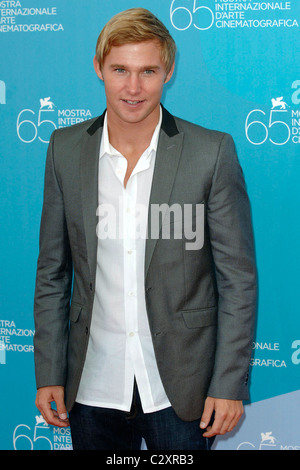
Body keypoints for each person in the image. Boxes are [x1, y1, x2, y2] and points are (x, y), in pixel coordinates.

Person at [34, 8, 257, 451]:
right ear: (99, 68)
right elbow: (52, 275)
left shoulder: (210, 153)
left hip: (183, 388)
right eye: (120, 70)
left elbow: (238, 281)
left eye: (148, 71)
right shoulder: (64, 148)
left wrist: (228, 383)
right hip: (91, 385)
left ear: (167, 72)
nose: (133, 88)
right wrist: (48, 373)